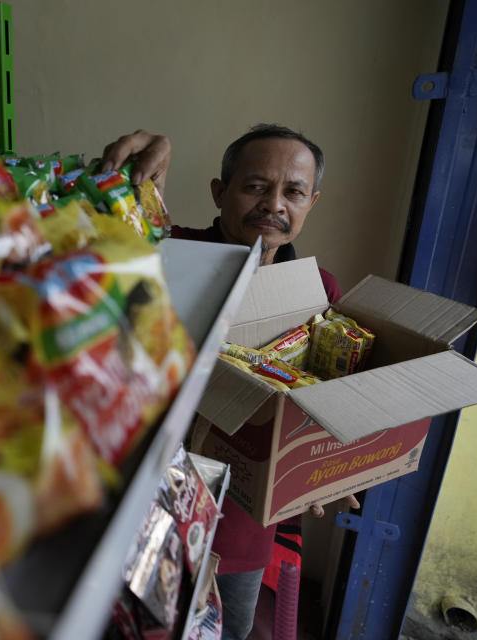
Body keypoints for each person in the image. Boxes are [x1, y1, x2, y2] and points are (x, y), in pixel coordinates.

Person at [102, 124, 359, 640]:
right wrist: (141, 176)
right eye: (255, 186)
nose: (274, 205)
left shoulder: (317, 289)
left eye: (293, 192)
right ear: (220, 192)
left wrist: (326, 469)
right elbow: (104, 247)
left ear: (312, 202)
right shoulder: (170, 253)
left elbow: (315, 397)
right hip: (147, 493)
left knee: (226, 629)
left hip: (245, 514)